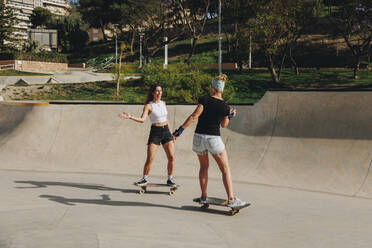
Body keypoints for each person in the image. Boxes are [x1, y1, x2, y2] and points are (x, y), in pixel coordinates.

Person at [173, 74, 246, 207]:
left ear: (213, 88)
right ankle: (231, 198)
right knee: (224, 169)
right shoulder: (225, 107)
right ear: (222, 90)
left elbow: (194, 116)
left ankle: (204, 196)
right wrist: (230, 115)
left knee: (203, 167)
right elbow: (224, 125)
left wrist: (179, 131)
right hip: (213, 139)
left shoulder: (205, 99)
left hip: (198, 138)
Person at [118, 84, 176, 186]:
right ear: (153, 93)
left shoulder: (163, 103)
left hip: (166, 131)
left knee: (171, 157)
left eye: (160, 91)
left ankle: (170, 179)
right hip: (155, 132)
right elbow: (142, 120)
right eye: (157, 91)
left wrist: (171, 133)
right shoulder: (149, 106)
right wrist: (130, 116)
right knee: (150, 158)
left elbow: (166, 119)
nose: (159, 93)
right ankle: (144, 178)